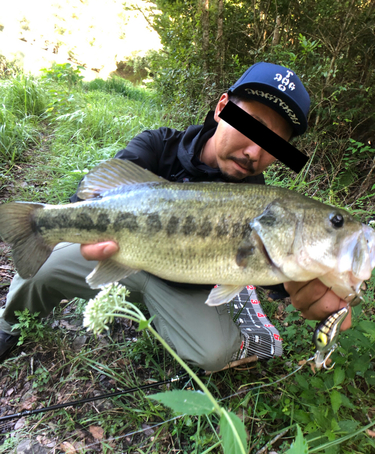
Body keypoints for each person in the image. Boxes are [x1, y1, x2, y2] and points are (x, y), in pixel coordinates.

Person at [0, 62, 351, 368]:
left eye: (274, 143)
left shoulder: (267, 208)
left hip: (187, 287)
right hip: (126, 260)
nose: (254, 151)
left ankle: (167, 316)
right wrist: (63, 223)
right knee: (40, 266)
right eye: (252, 126)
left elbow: (280, 275)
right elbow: (89, 196)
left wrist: (310, 286)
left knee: (214, 353)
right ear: (223, 108)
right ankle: (7, 325)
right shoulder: (157, 146)